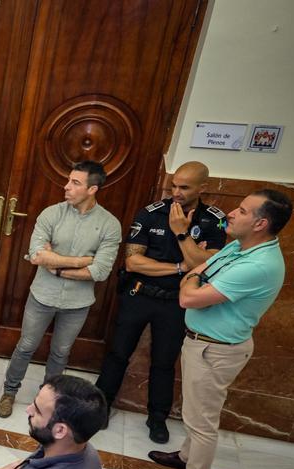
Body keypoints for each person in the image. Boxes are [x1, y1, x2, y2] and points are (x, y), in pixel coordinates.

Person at [142, 190, 292, 469]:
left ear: (260, 223)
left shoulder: (260, 264)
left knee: (202, 424)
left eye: (241, 210)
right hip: (203, 343)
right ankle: (185, 456)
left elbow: (189, 294)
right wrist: (195, 277)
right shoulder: (241, 246)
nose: (231, 213)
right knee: (195, 414)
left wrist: (192, 280)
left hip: (216, 350)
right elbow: (201, 268)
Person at [95, 161, 225, 443]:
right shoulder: (151, 214)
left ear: (203, 187)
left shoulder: (215, 220)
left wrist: (181, 234)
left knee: (164, 362)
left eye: (184, 187)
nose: (176, 192)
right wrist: (183, 265)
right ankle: (100, 406)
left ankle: (157, 418)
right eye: (174, 185)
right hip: (139, 295)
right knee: (118, 352)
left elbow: (209, 265)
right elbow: (133, 262)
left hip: (176, 303)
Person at [0, 160, 121, 418]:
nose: (67, 186)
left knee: (61, 352)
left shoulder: (110, 225)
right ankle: (9, 391)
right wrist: (82, 261)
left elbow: (100, 271)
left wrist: (59, 265)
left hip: (77, 303)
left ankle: (48, 399)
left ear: (92, 189)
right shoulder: (51, 214)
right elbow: (37, 256)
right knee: (26, 345)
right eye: (69, 180)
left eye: (75, 183)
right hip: (42, 295)